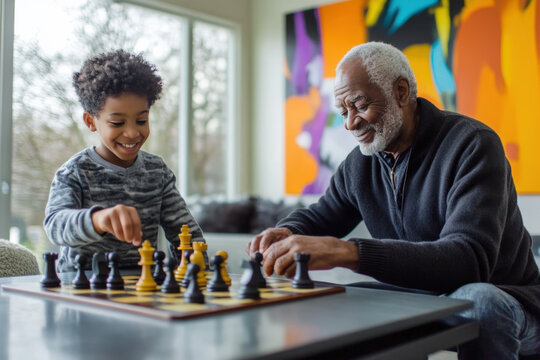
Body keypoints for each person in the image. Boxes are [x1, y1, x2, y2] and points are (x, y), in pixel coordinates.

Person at [248, 42, 540, 359]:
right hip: (425, 294)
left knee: (479, 301)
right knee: (331, 297)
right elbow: (321, 216)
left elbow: (468, 260)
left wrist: (348, 252)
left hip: (511, 301)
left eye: (359, 106)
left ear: (401, 92)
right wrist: (286, 232)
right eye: (343, 112)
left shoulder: (473, 144)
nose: (350, 124)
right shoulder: (359, 164)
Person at [44, 49, 205, 272]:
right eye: (117, 123)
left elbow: (185, 232)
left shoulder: (157, 171)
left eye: (141, 120)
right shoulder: (75, 172)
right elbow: (55, 226)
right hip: (83, 287)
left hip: (142, 288)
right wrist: (97, 220)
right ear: (91, 121)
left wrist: (199, 276)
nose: (132, 133)